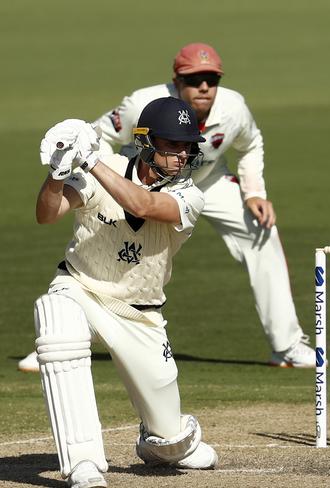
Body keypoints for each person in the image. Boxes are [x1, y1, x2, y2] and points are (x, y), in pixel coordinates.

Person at [18, 42, 314, 372]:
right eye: (194, 79)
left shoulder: (234, 108)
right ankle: (59, 342)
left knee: (262, 232)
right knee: (113, 256)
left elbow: (252, 143)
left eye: (211, 79)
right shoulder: (143, 103)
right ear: (177, 80)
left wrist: (255, 191)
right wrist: (102, 174)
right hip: (141, 178)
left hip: (209, 181)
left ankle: (287, 346)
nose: (204, 87)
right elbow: (96, 134)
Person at [33, 97, 218, 487]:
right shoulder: (108, 167)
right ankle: (82, 462)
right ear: (146, 142)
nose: (183, 155)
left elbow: (144, 204)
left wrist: (92, 161)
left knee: (170, 444)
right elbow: (47, 215)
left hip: (140, 313)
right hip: (80, 287)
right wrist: (57, 173)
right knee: (56, 322)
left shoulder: (190, 196)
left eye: (188, 147)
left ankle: (163, 441)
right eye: (173, 145)